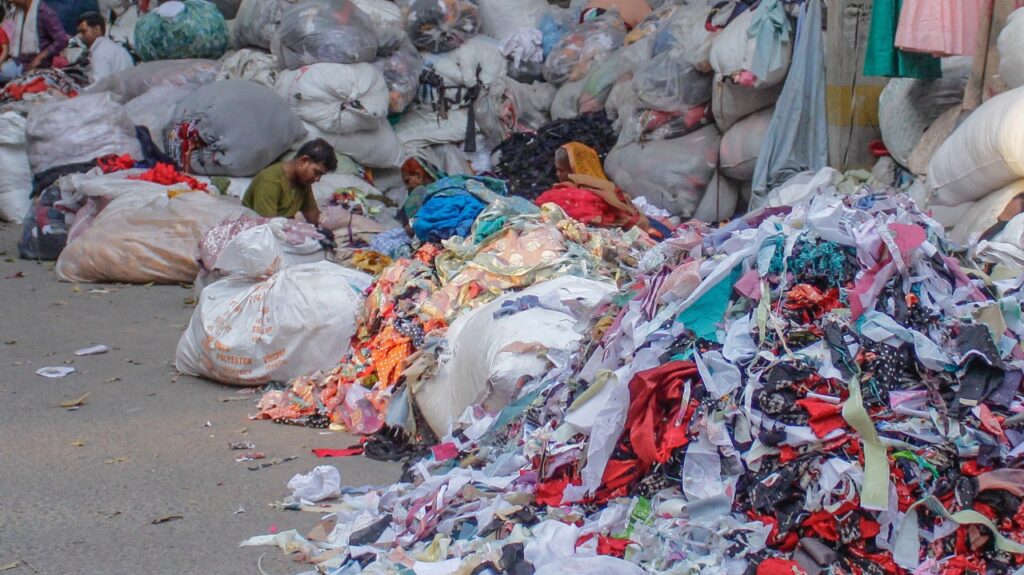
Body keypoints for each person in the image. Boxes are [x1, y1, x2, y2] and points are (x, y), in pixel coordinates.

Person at [537, 142, 669, 237]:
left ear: (573, 169)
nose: (558, 175)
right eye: (557, 170)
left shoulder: (566, 195)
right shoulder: (608, 190)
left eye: (562, 170)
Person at [242, 139, 337, 223]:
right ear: (304, 160)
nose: (317, 179)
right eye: (316, 172)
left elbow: (314, 217)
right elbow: (267, 226)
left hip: (282, 230)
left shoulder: (303, 182)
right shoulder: (270, 181)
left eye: (321, 175)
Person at [0, 0, 69, 83]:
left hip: (40, 68)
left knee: (29, 86)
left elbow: (62, 39)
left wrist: (40, 57)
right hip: (19, 64)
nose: (12, 3)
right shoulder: (18, 13)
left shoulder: (44, 12)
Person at [76, 12, 132, 85]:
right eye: (79, 32)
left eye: (83, 31)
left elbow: (100, 86)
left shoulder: (100, 52)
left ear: (97, 29)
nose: (80, 36)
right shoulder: (110, 46)